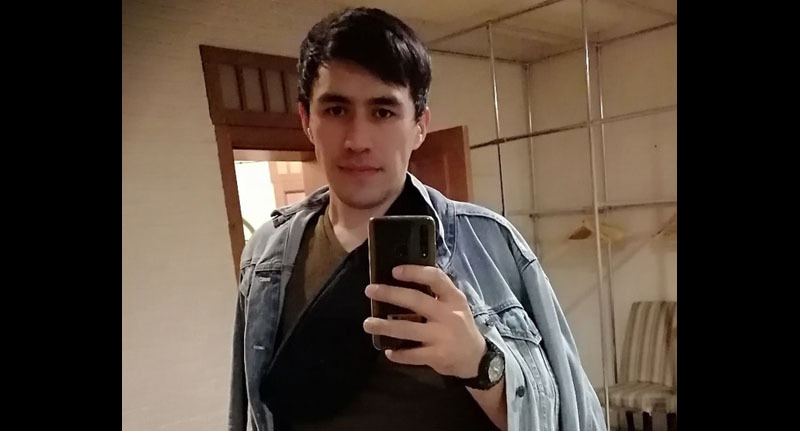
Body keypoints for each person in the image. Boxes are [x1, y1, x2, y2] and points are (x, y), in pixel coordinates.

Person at [229, 7, 605, 431]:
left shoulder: (492, 246)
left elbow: (569, 414)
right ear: (306, 120)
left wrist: (480, 363)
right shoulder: (266, 255)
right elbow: (250, 410)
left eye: (383, 112)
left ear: (420, 126)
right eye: (336, 110)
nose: (357, 140)